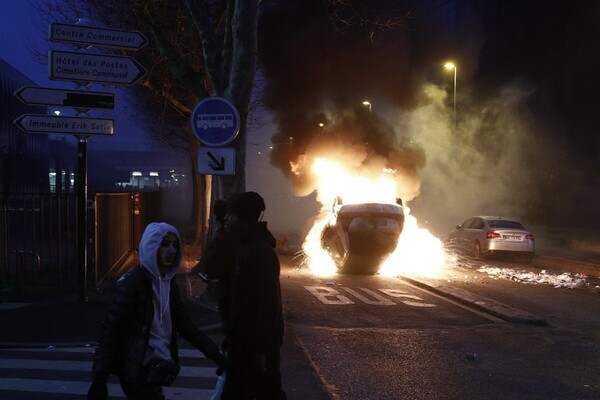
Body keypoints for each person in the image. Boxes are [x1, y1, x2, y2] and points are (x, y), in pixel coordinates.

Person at [87, 222, 226, 400]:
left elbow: (186, 326)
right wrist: (99, 380)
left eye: (175, 245)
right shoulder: (131, 284)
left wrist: (216, 356)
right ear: (151, 246)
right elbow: (110, 331)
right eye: (164, 244)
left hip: (157, 367)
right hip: (138, 369)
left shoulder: (169, 284)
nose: (171, 250)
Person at [220, 191, 287, 400]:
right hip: (243, 343)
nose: (226, 219)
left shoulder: (259, 251)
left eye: (230, 215)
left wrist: (261, 351)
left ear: (242, 218)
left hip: (254, 347)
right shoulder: (245, 246)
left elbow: (269, 306)